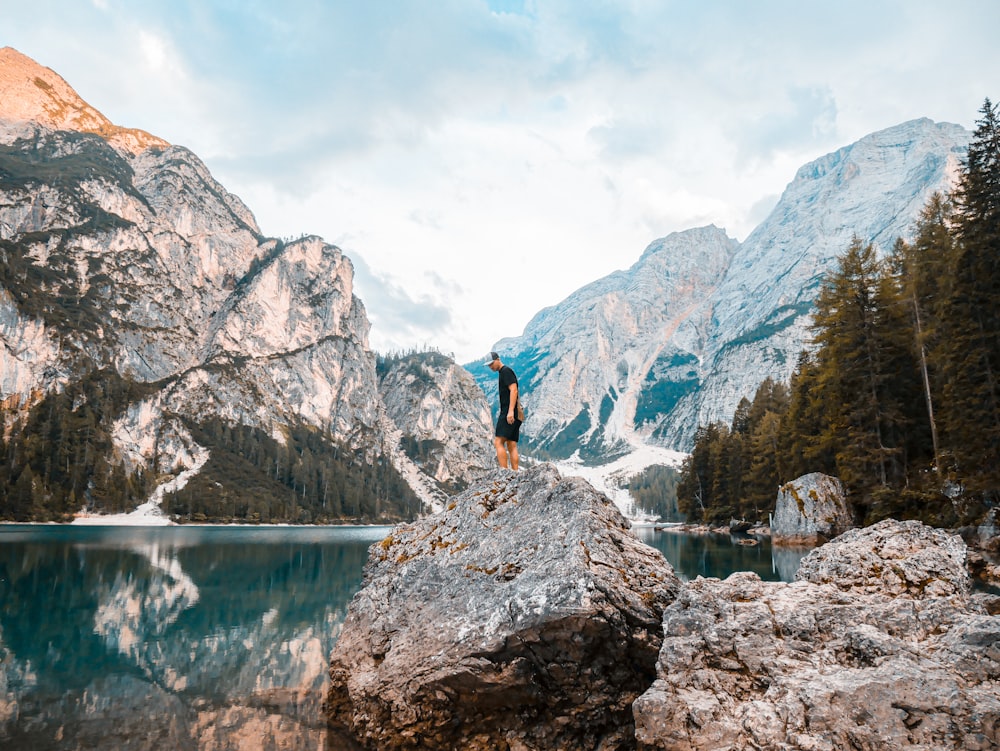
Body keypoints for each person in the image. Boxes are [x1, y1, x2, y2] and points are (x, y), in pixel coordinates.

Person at [484, 351, 521, 470]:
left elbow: (513, 390)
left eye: (491, 363)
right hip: (514, 411)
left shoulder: (506, 371)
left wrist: (510, 411)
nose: (490, 367)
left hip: (508, 411)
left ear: (498, 359)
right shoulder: (503, 372)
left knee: (498, 441)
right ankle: (515, 473)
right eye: (488, 365)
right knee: (511, 444)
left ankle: (504, 473)